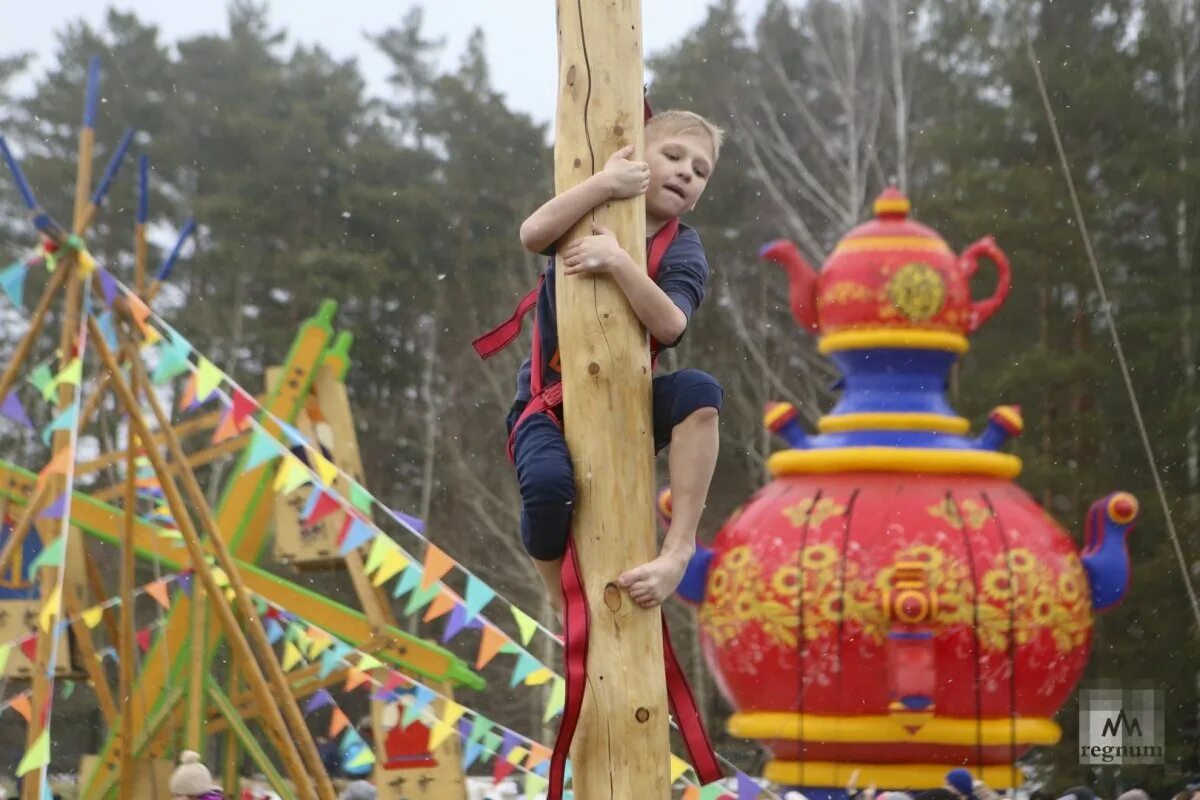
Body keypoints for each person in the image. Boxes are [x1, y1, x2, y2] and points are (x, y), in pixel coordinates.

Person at [501, 108, 724, 615]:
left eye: (701, 170)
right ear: (637, 155)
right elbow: (533, 233)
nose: (686, 171)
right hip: (547, 401)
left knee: (700, 393)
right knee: (548, 487)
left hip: (631, 390)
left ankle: (678, 550)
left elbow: (671, 325)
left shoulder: (683, 248)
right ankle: (560, 601)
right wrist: (603, 184)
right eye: (672, 155)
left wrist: (621, 261)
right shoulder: (587, 207)